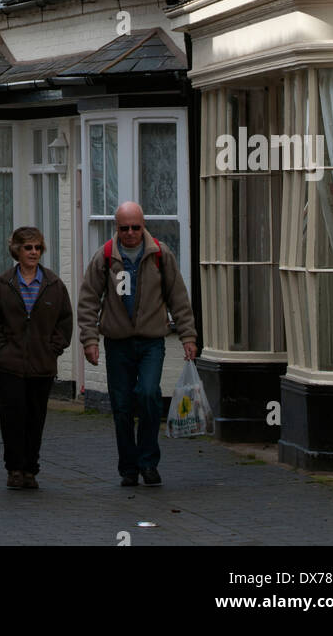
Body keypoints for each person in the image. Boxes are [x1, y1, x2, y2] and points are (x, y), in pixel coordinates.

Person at [77, 201, 197, 487]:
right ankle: (128, 468)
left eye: (136, 227)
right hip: (117, 343)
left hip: (151, 342)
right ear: (116, 228)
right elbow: (88, 301)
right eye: (124, 228)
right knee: (121, 406)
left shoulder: (159, 254)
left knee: (147, 395)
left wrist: (188, 336)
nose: (130, 233)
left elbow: (178, 297)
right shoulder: (105, 257)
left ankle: (148, 462)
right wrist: (89, 340)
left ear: (143, 226)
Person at [0, 226, 73, 491]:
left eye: (37, 248)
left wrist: (53, 348)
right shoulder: (3, 285)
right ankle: (14, 469)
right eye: (28, 248)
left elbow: (64, 323)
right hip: (10, 366)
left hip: (42, 366)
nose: (33, 253)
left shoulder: (53, 285)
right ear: (16, 251)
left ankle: (31, 468)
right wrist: (2, 348)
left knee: (35, 417)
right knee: (12, 417)